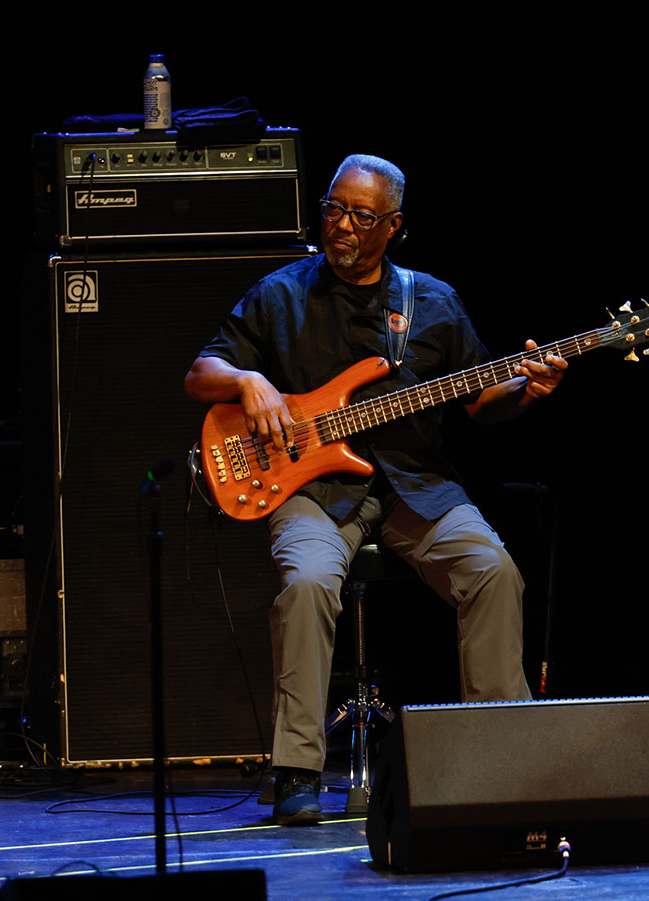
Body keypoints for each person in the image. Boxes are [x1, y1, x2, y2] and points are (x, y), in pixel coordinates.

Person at [184, 154, 566, 825]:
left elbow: (481, 399)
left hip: (415, 485)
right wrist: (249, 381)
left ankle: (500, 761)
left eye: (361, 215)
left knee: (493, 571)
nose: (342, 225)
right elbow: (200, 373)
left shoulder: (432, 302)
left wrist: (526, 391)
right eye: (334, 208)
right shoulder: (280, 294)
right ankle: (297, 770)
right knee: (307, 583)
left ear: (393, 226)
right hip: (315, 490)